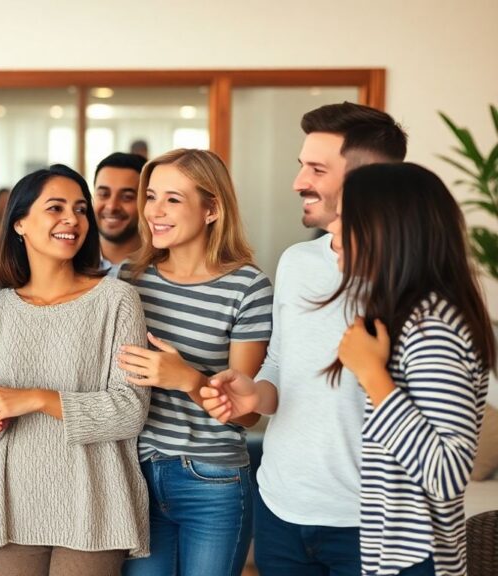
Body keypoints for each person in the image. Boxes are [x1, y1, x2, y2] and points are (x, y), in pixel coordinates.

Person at [205, 163, 493, 575]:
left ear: (389, 229)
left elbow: (446, 475)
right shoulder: (391, 306)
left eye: (345, 218)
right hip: (329, 523)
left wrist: (373, 375)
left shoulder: (436, 326)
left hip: (404, 552)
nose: (331, 232)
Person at [193, 102, 408, 575]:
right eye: (300, 166)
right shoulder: (296, 262)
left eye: (316, 169)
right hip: (281, 508)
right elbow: (279, 365)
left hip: (368, 521)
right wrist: (256, 392)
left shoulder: (414, 277)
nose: (298, 182)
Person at [0, 164, 150, 576]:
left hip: (94, 493)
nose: (73, 219)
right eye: (56, 208)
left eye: (81, 209)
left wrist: (36, 398)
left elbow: (130, 410)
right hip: (15, 496)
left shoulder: (117, 300)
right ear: (20, 223)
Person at [115, 149, 271, 576]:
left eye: (173, 199)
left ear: (212, 208)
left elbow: (248, 414)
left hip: (212, 480)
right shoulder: (130, 277)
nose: (155, 211)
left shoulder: (248, 287)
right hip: (136, 476)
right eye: (151, 197)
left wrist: (187, 379)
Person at [93, 152, 146, 268]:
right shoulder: (70, 262)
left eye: (127, 197)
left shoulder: (167, 269)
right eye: (103, 194)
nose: (112, 206)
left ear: (146, 202)